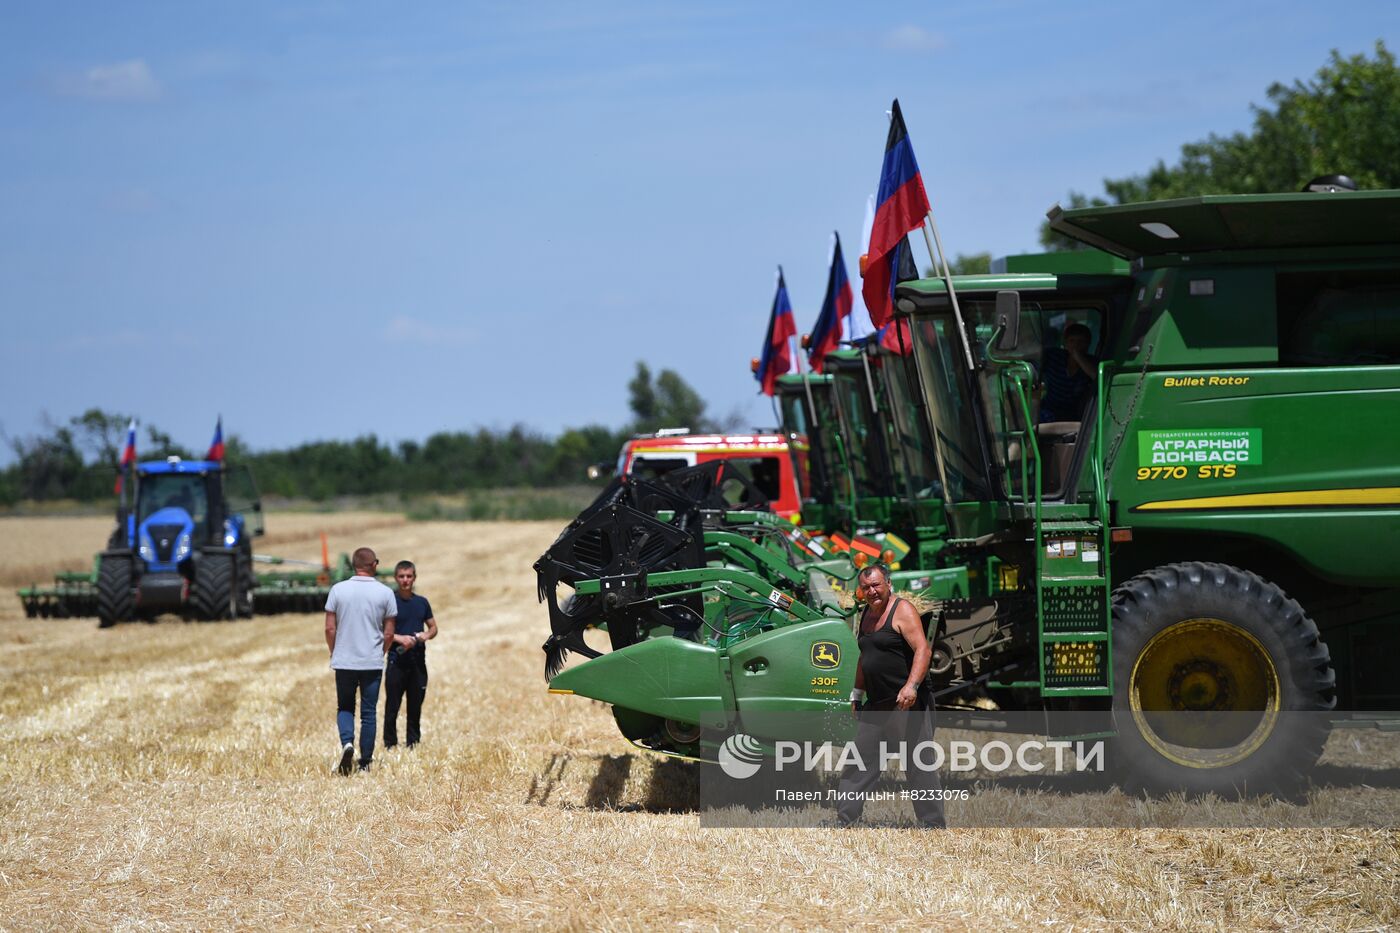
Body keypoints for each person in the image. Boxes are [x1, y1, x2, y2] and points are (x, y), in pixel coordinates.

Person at [836, 563, 946, 828]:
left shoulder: (903, 610)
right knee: (858, 761)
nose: (872, 591)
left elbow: (923, 651)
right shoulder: (866, 615)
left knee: (918, 764)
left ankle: (932, 825)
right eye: (865, 588)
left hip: (907, 703)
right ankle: (846, 820)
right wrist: (856, 694)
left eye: (876, 585)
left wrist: (911, 686)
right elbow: (865, 657)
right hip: (877, 704)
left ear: (887, 583)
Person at [325, 546, 397, 775]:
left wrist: (334, 651)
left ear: (354, 564)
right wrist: (381, 652)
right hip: (371, 662)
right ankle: (365, 762)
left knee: (345, 706)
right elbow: (388, 633)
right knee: (368, 712)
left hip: (344, 660)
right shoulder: (385, 593)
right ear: (373, 565)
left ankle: (347, 742)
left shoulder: (338, 590)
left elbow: (329, 627)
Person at [384, 559, 437, 749]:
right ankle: (390, 744)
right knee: (393, 706)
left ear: (414, 578)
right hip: (396, 660)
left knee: (415, 705)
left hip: (417, 662)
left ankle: (413, 743)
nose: (405, 580)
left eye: (409, 576)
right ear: (395, 578)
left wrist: (425, 635)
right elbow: (381, 630)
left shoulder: (422, 602)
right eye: (401, 576)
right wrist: (400, 639)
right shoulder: (389, 601)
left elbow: (433, 627)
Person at [1038, 322, 1096, 423]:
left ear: (1088, 344)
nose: (1076, 345)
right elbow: (1032, 360)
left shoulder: (1092, 363)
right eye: (1072, 341)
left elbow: (1095, 376)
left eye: (1081, 342)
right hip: (1049, 408)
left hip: (1074, 414)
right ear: (1065, 343)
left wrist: (1078, 357)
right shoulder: (1053, 356)